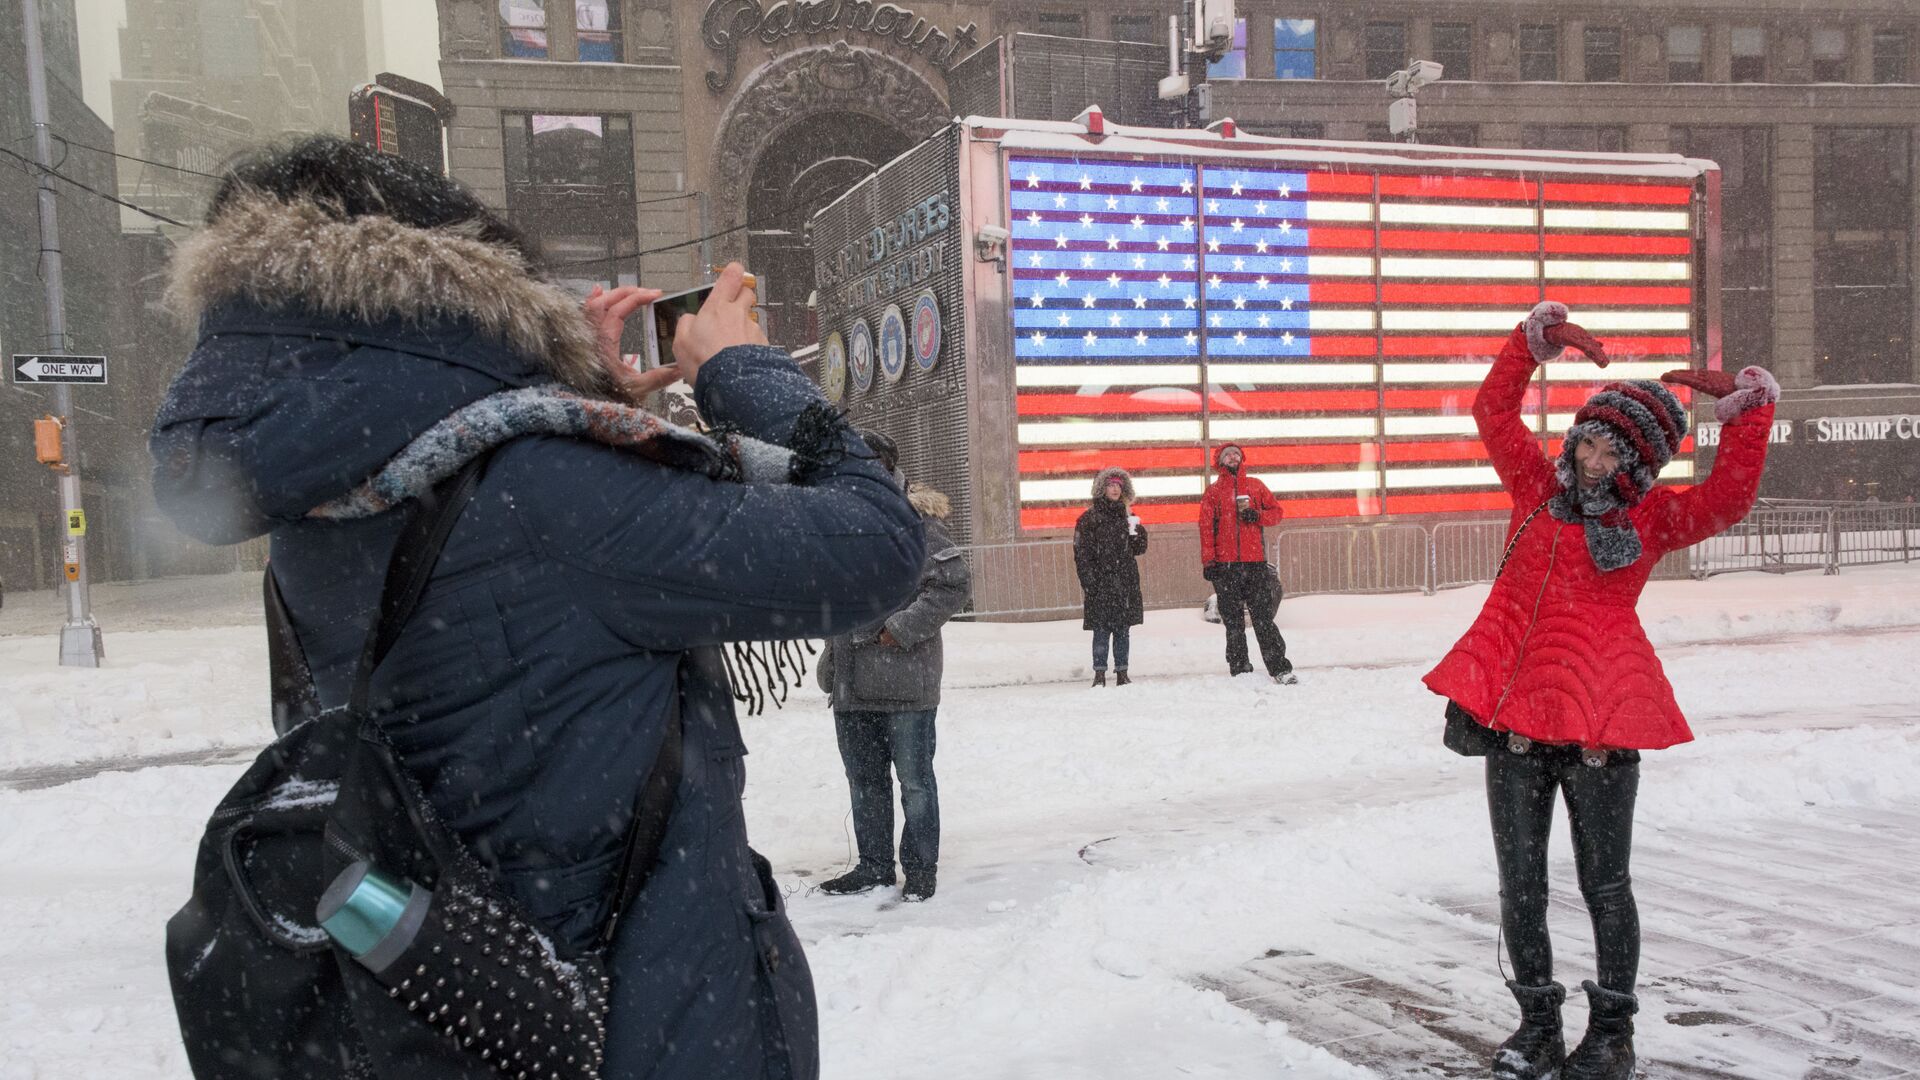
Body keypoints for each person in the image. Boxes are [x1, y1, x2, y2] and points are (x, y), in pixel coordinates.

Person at [148, 135, 924, 1080]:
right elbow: (878, 544)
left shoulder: (321, 493)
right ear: (461, 289)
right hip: (640, 1022)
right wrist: (742, 370)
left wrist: (567, 406)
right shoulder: (544, 497)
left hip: (460, 1009)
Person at [1423, 301, 1778, 1080]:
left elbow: (1727, 501)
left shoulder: (1652, 521)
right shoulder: (1532, 489)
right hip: (1515, 721)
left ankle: (1612, 1035)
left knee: (1604, 885)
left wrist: (1748, 419)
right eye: (1588, 437)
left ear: (1638, 462)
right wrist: (1528, 346)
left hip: (1601, 725)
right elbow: (1492, 410)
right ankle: (1537, 1026)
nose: (1592, 456)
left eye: (1613, 449)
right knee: (1521, 883)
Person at [815, 431, 971, 903]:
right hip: (850, 681)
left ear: (883, 466)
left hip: (905, 682)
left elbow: (952, 583)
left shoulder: (914, 522)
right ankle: (874, 866)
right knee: (865, 784)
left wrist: (898, 629)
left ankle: (920, 871)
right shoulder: (841, 522)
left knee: (915, 783)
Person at [1198, 443, 1295, 683]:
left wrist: (1257, 515)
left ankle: (1280, 668)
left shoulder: (1255, 486)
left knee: (1263, 619)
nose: (1233, 457)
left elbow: (1277, 513)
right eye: (1228, 455)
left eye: (1236, 454)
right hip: (1225, 566)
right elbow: (1206, 528)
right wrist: (1209, 561)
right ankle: (1240, 670)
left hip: (1255, 565)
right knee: (1233, 623)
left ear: (1242, 459)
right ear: (1220, 461)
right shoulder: (1213, 492)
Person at [1073, 466, 1149, 686]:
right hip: (1100, 582)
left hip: (1124, 581)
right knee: (1101, 630)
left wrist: (1138, 533)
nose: (1115, 489)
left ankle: (1122, 672)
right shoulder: (1089, 518)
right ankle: (1099, 673)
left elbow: (1139, 549)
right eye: (1110, 485)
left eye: (1118, 485)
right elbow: (1081, 553)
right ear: (1102, 488)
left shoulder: (1128, 516)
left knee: (1122, 629)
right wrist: (1089, 581)